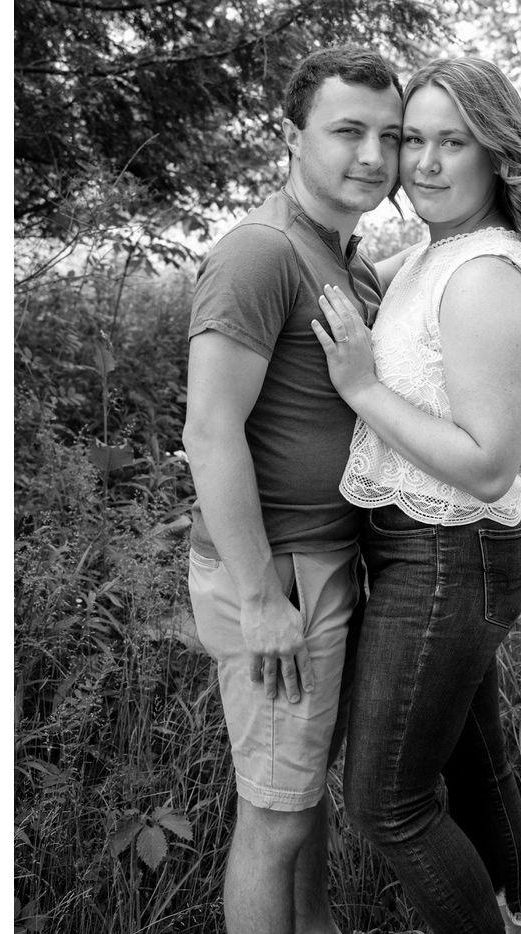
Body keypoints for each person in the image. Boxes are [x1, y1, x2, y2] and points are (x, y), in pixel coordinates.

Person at [311, 56, 521, 934]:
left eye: (450, 142)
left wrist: (361, 389)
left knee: (388, 804)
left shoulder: (485, 274)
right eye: (410, 139)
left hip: (449, 551)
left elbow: (489, 464)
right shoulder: (433, 252)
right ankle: (519, 910)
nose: (421, 163)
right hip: (427, 546)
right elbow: (332, 258)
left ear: (495, 152)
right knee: (476, 758)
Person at [182, 45, 404, 934]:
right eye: (348, 131)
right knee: (274, 819)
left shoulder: (347, 262)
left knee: (303, 799)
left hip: (325, 563)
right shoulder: (259, 253)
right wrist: (259, 598)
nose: (373, 156)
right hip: (277, 575)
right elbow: (209, 431)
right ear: (292, 137)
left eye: (390, 135)